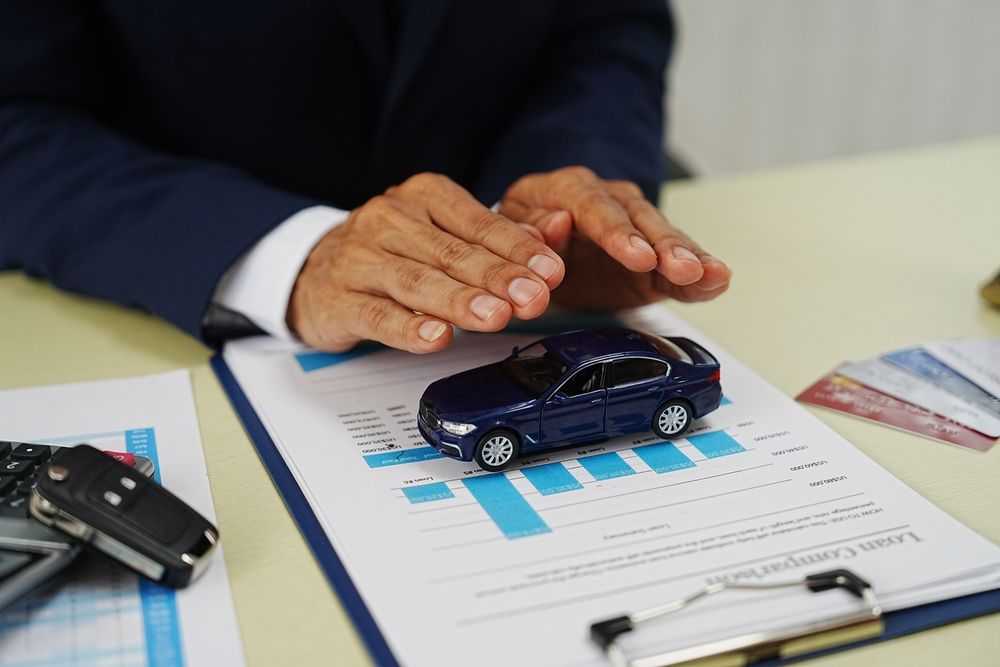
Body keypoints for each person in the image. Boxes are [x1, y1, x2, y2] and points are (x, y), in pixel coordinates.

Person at [0, 1, 730, 354]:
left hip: (508, 307)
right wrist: (291, 255)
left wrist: (552, 209)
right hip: (158, 307)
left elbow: (605, 28)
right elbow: (16, 113)